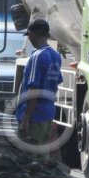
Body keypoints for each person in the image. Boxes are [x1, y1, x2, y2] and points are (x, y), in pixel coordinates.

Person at [15, 18, 63, 160]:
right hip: (47, 113)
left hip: (35, 116)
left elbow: (33, 90)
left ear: (32, 34)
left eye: (29, 35)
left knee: (29, 161)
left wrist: (25, 120)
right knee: (42, 156)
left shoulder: (37, 56)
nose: (29, 39)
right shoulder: (55, 56)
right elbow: (56, 82)